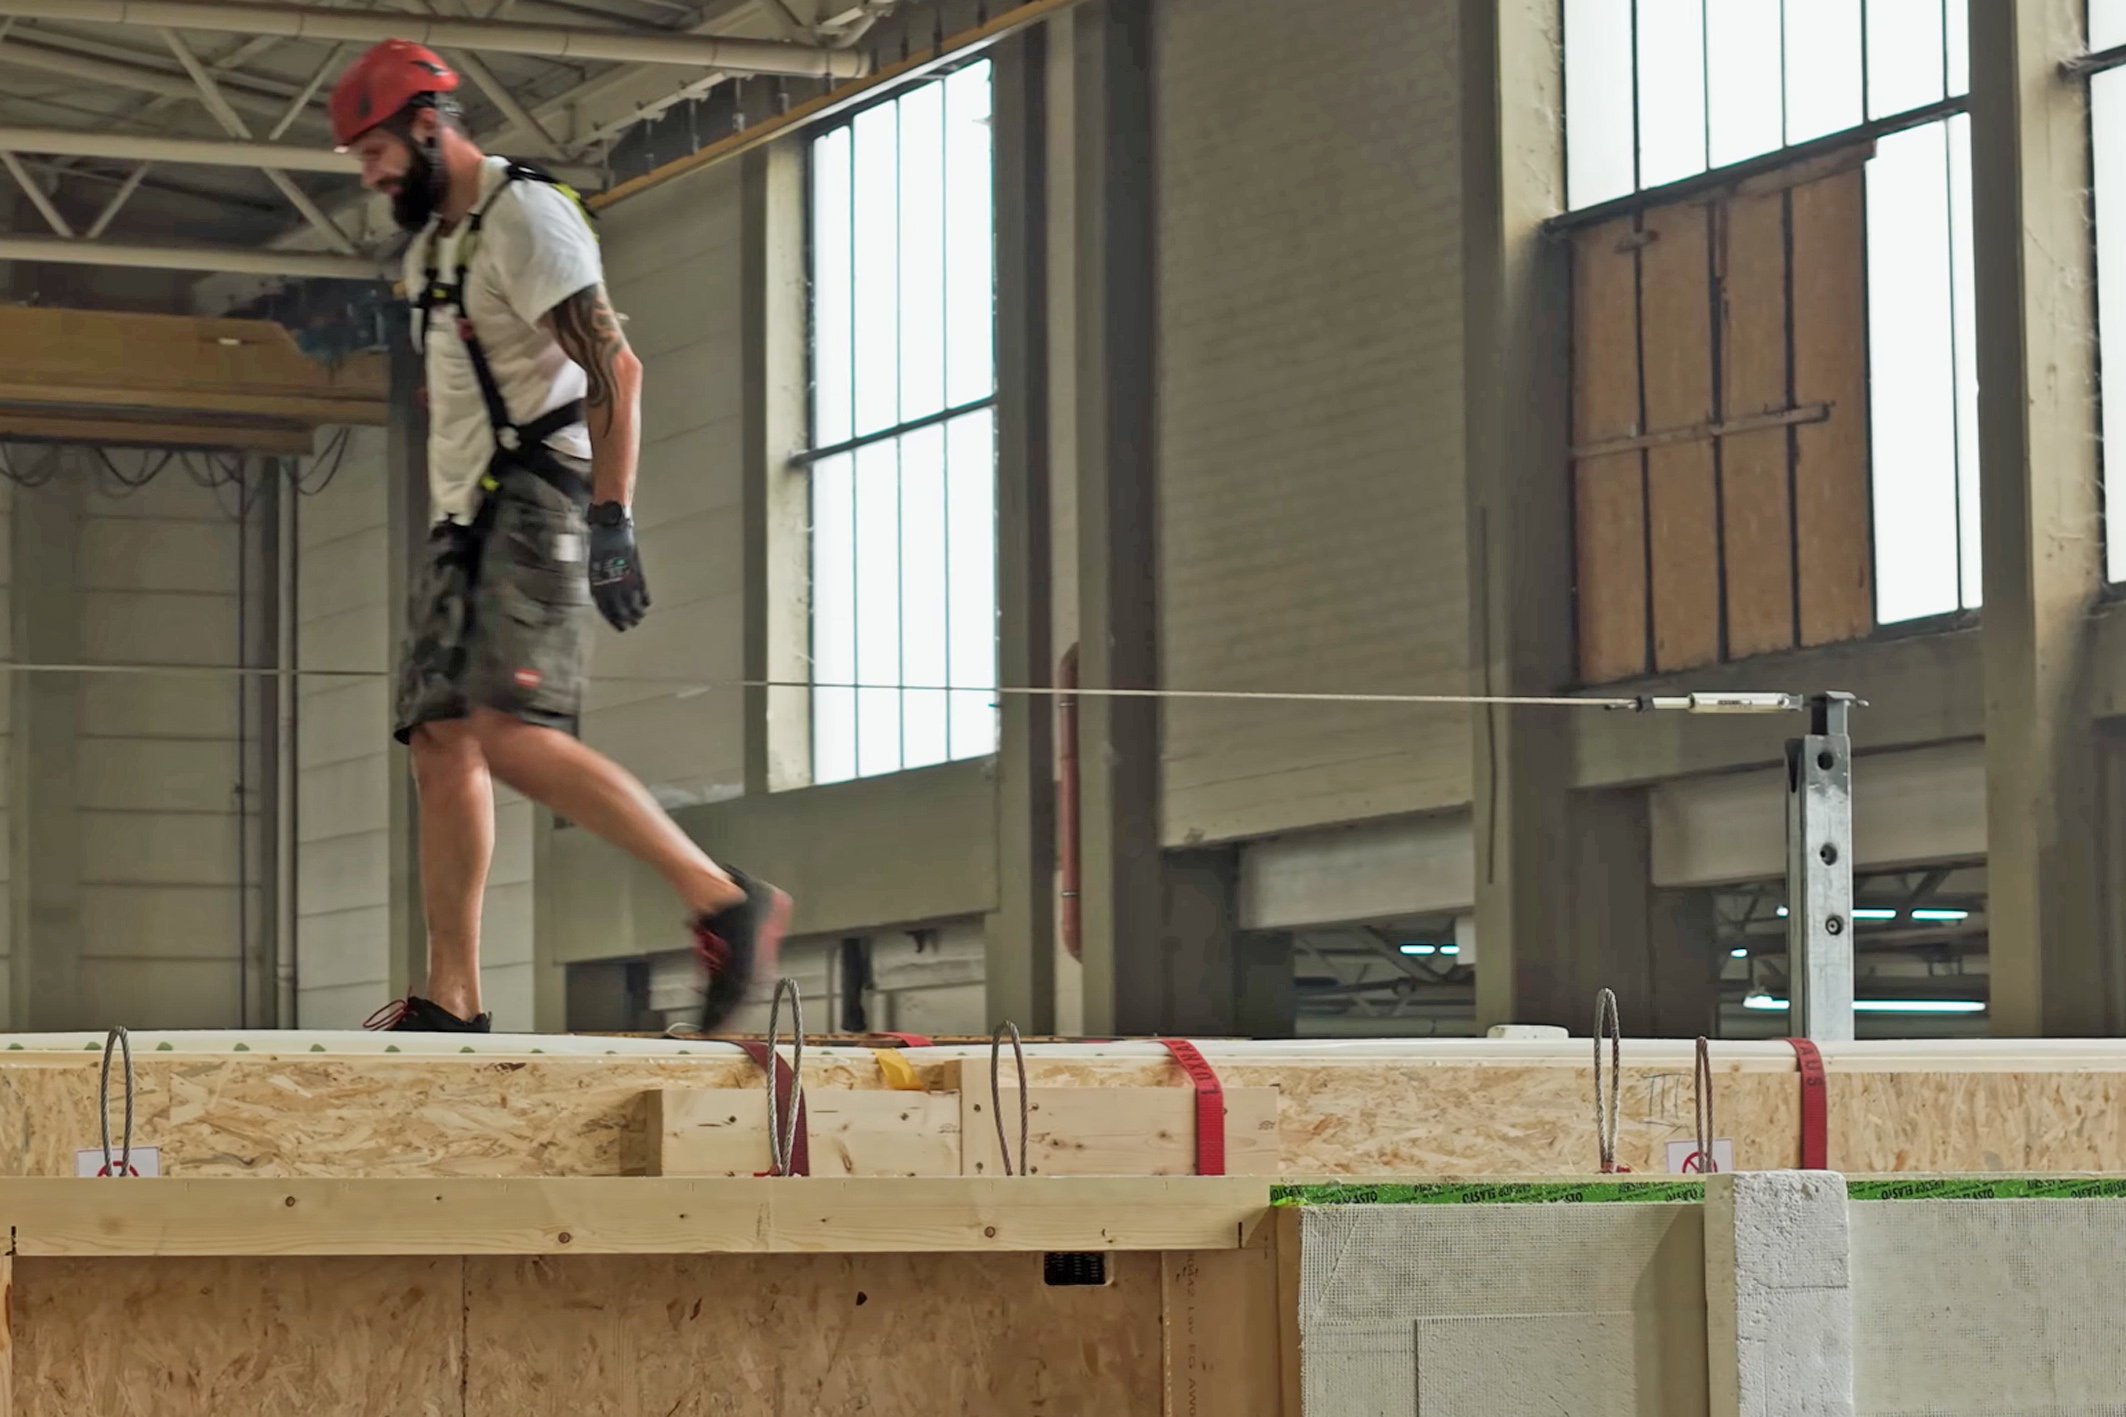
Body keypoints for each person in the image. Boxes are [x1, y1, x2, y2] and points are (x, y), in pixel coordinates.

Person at [328, 39, 788, 1033]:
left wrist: (612, 519)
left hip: (538, 499)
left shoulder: (526, 217)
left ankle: (720, 897)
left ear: (426, 125)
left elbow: (615, 368)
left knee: (511, 733)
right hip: (464, 517)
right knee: (439, 739)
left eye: (374, 153)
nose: (369, 176)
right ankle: (452, 999)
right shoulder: (435, 248)